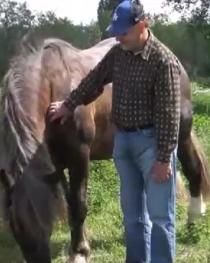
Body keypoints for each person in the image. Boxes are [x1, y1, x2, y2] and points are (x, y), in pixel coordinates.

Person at [49, 0, 181, 262]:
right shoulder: (118, 53)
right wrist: (68, 105)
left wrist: (164, 158)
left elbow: (169, 113)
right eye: (116, 32)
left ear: (141, 26)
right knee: (132, 216)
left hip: (152, 144)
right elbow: (93, 81)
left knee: (160, 216)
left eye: (124, 32)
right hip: (124, 142)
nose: (118, 37)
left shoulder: (163, 61)